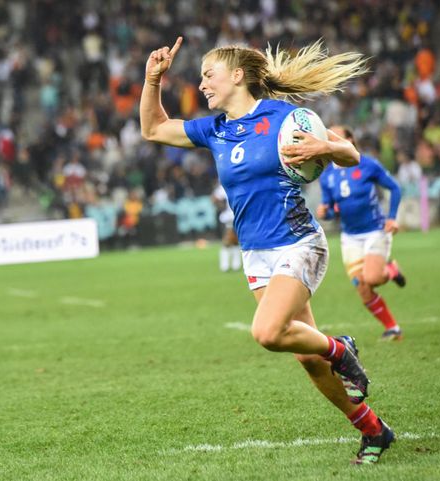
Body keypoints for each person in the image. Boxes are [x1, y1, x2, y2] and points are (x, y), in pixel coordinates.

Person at [140, 36, 394, 465]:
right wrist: (152, 80)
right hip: (256, 253)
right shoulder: (215, 129)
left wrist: (326, 147)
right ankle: (373, 429)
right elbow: (152, 128)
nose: (201, 84)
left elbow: (350, 153)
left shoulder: (286, 116)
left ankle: (340, 349)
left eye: (208, 74)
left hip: (299, 243)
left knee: (266, 332)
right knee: (306, 358)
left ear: (237, 75)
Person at [317, 126, 406, 341]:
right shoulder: (326, 176)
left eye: (336, 136)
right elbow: (330, 210)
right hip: (350, 237)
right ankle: (392, 328)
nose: (331, 139)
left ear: (350, 140)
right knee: (363, 288)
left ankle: (391, 270)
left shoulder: (367, 164)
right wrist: (325, 211)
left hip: (375, 230)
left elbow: (394, 188)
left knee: (373, 278)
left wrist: (392, 217)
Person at [212, 183, 241, 272]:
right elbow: (214, 198)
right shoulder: (224, 187)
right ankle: (225, 265)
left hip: (239, 215)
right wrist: (222, 207)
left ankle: (235, 264)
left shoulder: (238, 184)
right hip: (230, 217)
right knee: (228, 239)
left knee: (235, 241)